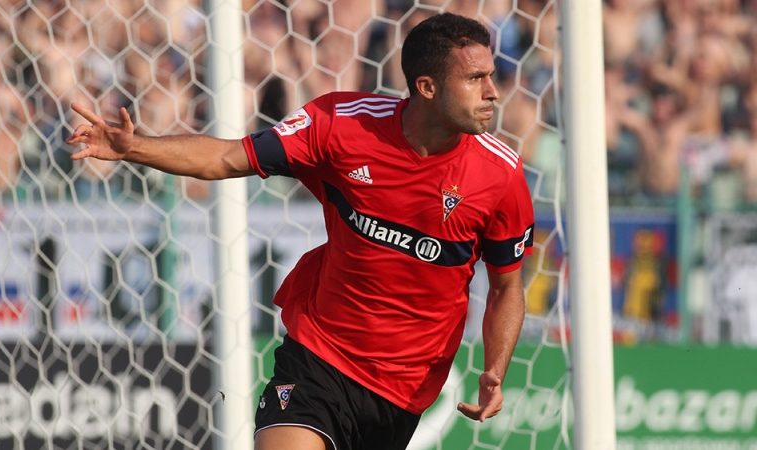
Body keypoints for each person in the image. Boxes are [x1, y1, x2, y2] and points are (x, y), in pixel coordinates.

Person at [68, 13, 534, 450]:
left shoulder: (501, 174)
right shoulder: (343, 125)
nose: (492, 92)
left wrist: (495, 368)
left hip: (405, 390)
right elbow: (227, 157)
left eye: (491, 76)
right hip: (319, 358)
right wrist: (134, 148)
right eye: (475, 78)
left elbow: (506, 286)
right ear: (427, 87)